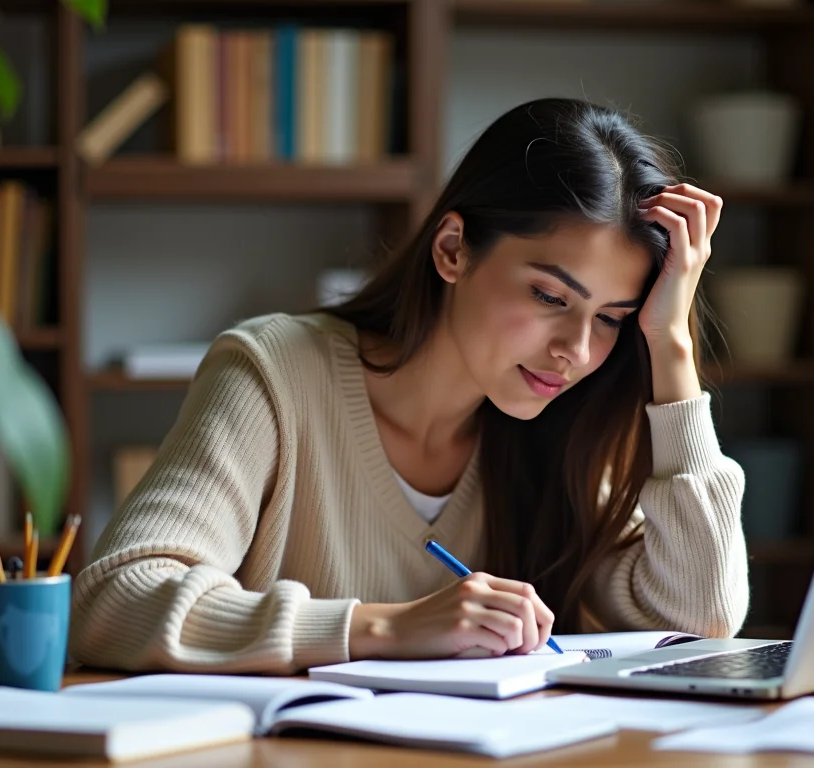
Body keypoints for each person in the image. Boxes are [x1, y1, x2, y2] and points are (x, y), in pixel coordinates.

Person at [70, 98, 749, 674]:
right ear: (453, 249)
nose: (575, 350)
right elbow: (115, 602)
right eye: (549, 296)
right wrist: (386, 629)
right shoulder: (276, 371)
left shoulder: (560, 428)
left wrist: (672, 346)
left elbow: (702, 619)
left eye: (611, 319)